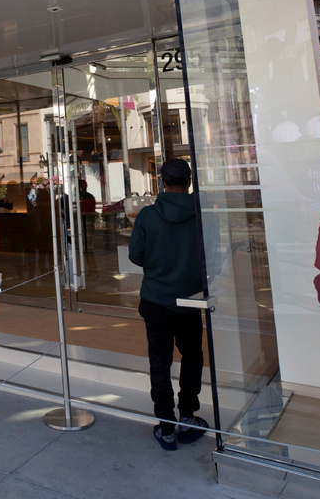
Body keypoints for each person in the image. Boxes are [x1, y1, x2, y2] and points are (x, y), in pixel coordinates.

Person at [127, 158, 209, 451]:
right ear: (188, 182)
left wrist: (158, 262)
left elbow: (135, 256)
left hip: (156, 301)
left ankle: (166, 426)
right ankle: (188, 416)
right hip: (189, 301)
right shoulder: (201, 215)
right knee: (192, 358)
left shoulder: (148, 216)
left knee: (159, 363)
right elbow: (213, 258)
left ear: (162, 182)